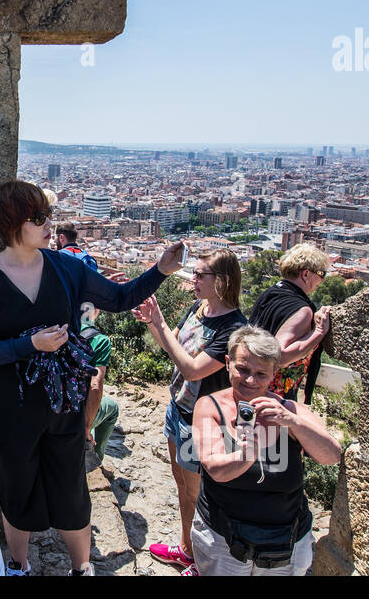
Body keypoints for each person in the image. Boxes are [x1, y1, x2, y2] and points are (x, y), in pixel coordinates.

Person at [0, 180, 184, 576]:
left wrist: (161, 271)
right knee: (16, 483)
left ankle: (83, 567)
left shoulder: (65, 266)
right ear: (13, 222)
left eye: (48, 216)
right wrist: (32, 345)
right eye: (38, 218)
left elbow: (118, 299)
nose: (50, 225)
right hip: (10, 403)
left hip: (62, 399)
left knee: (71, 481)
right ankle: (18, 564)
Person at [191, 326, 340, 575]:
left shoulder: (288, 409)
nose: (250, 380)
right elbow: (215, 469)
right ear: (228, 363)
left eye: (261, 373)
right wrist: (247, 454)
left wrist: (293, 422)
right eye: (243, 369)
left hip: (286, 537)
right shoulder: (211, 407)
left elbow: (331, 456)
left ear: (274, 373)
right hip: (223, 538)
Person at [134, 248, 246, 576]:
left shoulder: (233, 329)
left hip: (203, 422)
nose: (193, 279)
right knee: (182, 484)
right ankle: (187, 549)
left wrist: (161, 323)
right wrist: (154, 325)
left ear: (223, 281)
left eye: (201, 275)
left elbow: (194, 368)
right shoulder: (199, 308)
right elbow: (175, 350)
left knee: (199, 495)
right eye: (194, 273)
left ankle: (203, 561)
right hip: (178, 409)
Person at [249, 243, 332, 402]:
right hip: (273, 394)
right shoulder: (302, 310)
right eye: (321, 273)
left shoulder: (271, 293)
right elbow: (281, 356)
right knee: (270, 428)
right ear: (306, 274)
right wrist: (319, 332)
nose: (322, 279)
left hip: (251, 382)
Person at [80, 316, 120, 468]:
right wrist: (86, 427)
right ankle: (96, 455)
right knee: (113, 408)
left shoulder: (59, 328)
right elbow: (95, 386)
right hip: (77, 416)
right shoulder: (99, 340)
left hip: (53, 409)